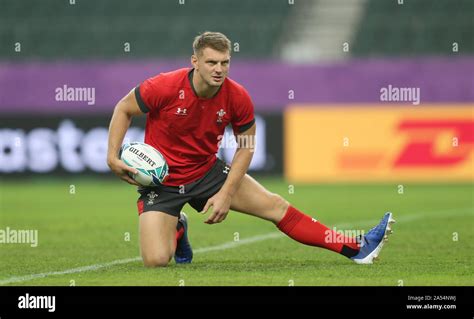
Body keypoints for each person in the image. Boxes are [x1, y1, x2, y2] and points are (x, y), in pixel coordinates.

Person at [107, 31, 395, 267]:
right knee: (156, 261)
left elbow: (246, 146)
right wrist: (112, 156)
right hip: (164, 182)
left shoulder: (237, 96)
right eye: (211, 63)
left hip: (207, 172)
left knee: (276, 206)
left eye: (225, 62)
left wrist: (226, 193)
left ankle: (357, 246)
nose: (219, 69)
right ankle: (178, 227)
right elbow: (123, 108)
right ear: (195, 61)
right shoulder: (164, 86)